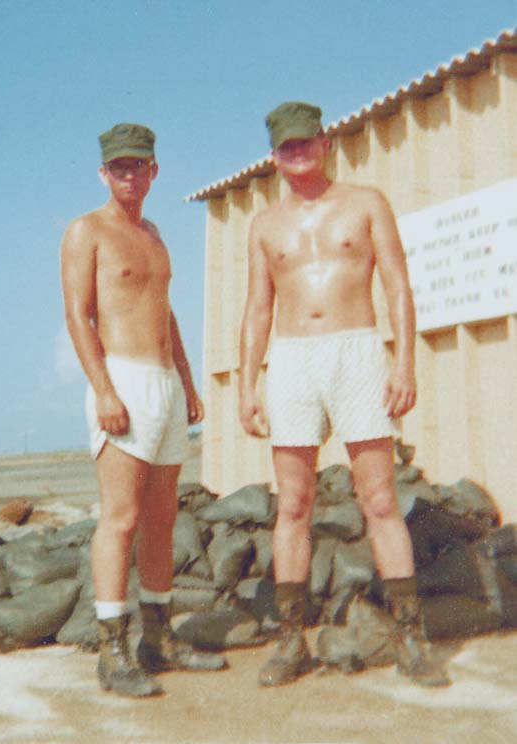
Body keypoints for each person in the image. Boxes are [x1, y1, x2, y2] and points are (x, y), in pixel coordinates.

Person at [238, 101, 449, 688]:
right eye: (286, 146)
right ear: (273, 154)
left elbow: (398, 286)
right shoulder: (265, 224)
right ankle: (290, 641)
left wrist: (402, 362)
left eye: (306, 142)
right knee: (293, 505)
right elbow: (258, 308)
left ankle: (412, 638)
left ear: (325, 142)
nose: (297, 152)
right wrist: (248, 382)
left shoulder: (366, 203)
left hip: (356, 351)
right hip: (292, 358)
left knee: (379, 499)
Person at [60, 123, 227, 698]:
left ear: (155, 171)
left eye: (140, 165)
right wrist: (104, 389)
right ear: (104, 173)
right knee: (121, 518)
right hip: (123, 382)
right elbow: (78, 315)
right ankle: (113, 653)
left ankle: (160, 639)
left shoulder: (155, 235)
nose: (130, 175)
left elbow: (166, 311)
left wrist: (187, 378)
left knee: (162, 519)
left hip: (165, 386)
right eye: (119, 167)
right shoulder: (87, 231)